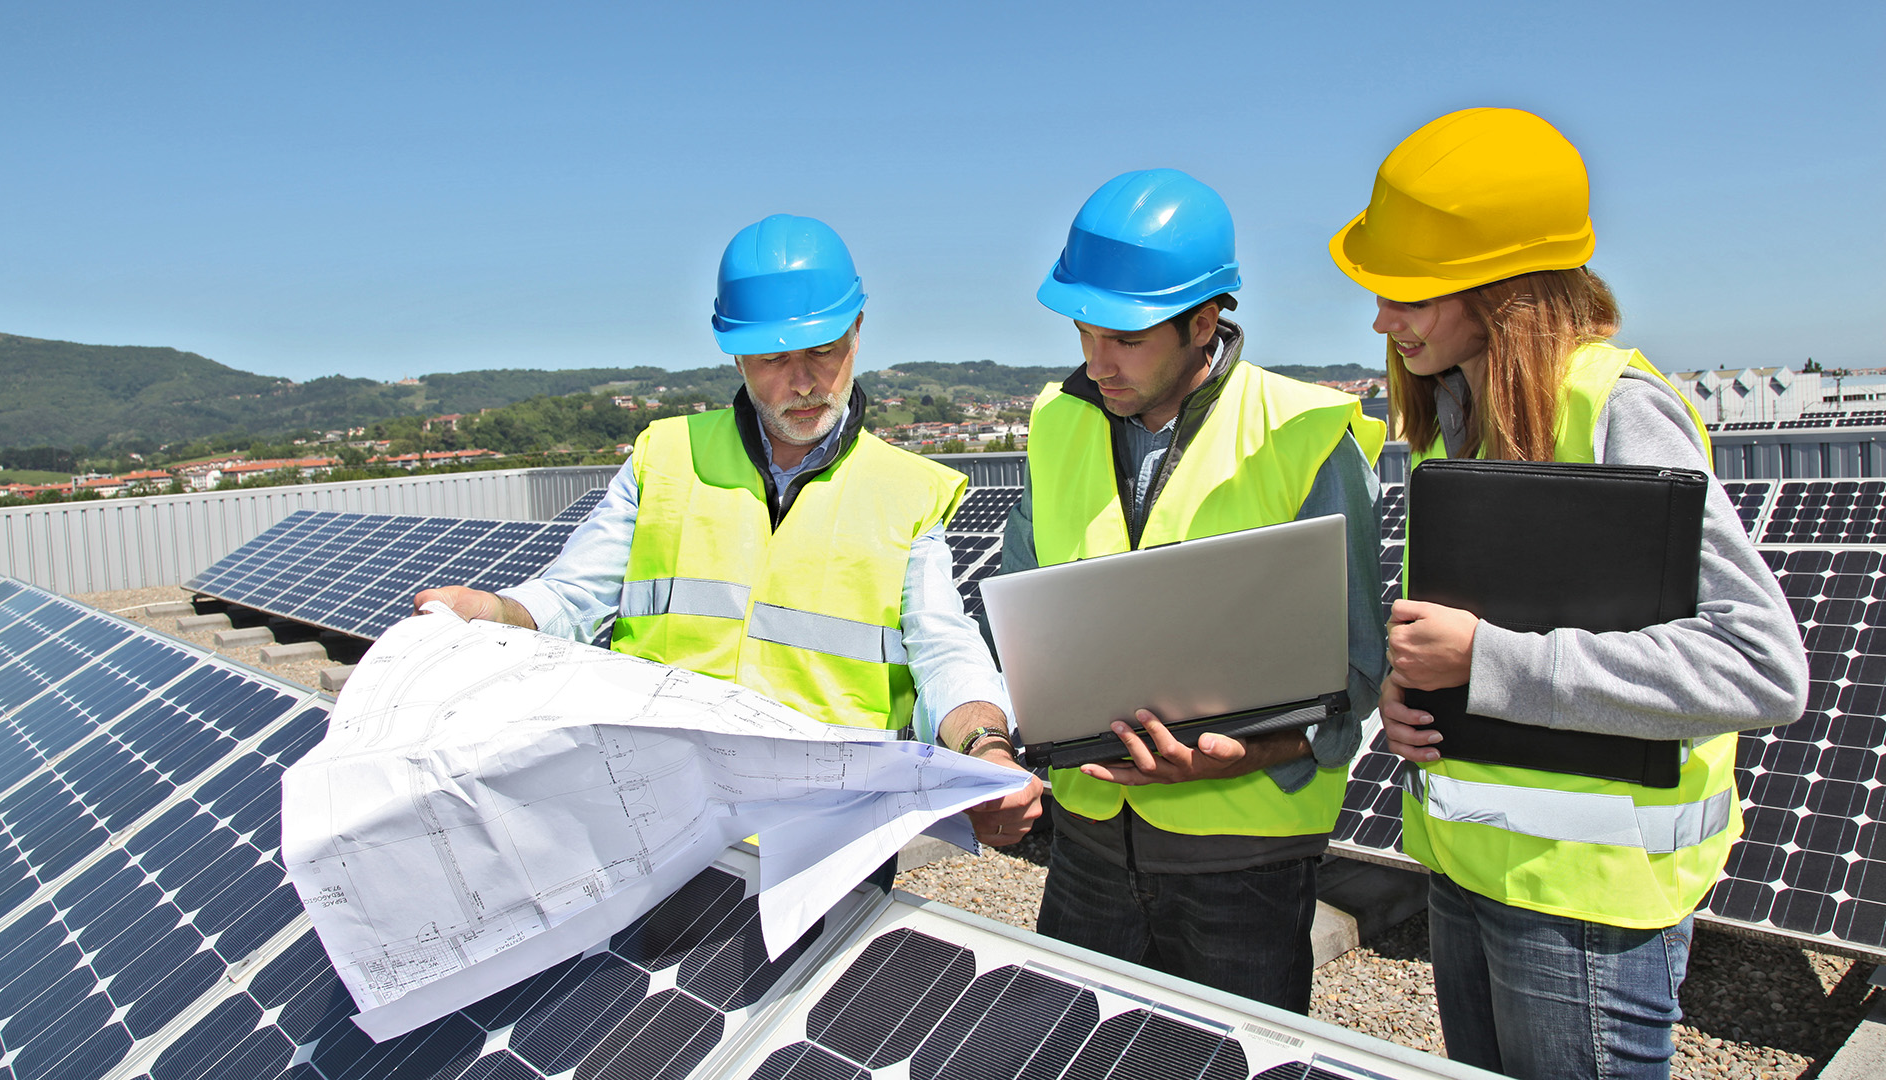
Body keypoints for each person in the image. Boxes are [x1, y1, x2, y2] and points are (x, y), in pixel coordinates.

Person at [1332, 108, 1809, 1079]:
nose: (1381, 320)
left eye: (1409, 294)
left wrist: (1490, 661)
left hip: (1590, 908)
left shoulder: (1618, 408)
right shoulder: (1454, 418)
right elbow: (1467, 634)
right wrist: (1417, 688)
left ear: (1504, 289)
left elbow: (1762, 665)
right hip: (1470, 870)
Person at [417, 214, 1044, 866]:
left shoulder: (906, 491)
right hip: (659, 823)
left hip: (830, 842)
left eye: (823, 350)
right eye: (774, 357)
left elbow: (946, 652)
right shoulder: (664, 458)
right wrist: (495, 614)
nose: (802, 381)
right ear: (735, 351)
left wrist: (986, 748)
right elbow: (571, 600)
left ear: (858, 333)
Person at [995, 168, 1388, 1012]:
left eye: (1126, 339)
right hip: (1088, 849)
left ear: (1205, 321)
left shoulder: (1305, 433)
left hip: (1241, 871)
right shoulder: (1056, 424)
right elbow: (1024, 615)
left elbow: (1358, 671)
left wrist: (1250, 752)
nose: (1097, 363)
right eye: (1085, 332)